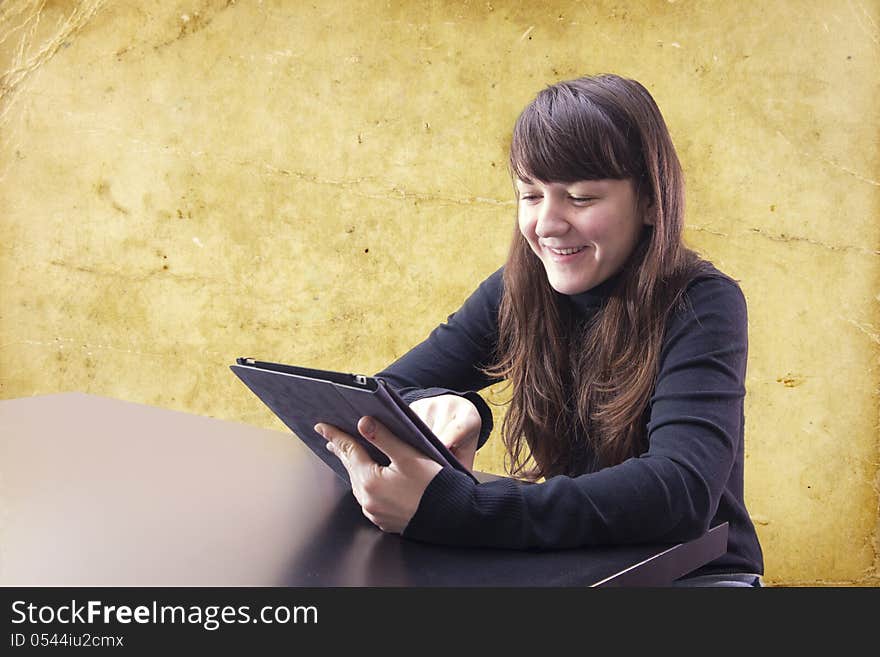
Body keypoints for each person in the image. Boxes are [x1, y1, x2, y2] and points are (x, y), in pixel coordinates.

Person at [314, 74, 764, 586]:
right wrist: (465, 409)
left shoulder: (702, 303)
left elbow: (680, 491)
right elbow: (375, 400)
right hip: (573, 568)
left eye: (580, 197)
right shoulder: (518, 288)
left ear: (649, 202)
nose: (547, 224)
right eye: (531, 195)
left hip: (697, 580)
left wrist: (466, 509)